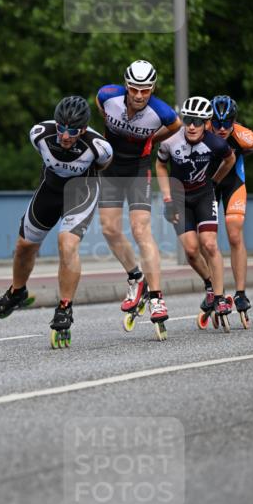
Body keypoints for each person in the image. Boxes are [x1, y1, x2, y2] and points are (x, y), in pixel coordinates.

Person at [0, 95, 112, 348]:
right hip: (50, 190)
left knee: (67, 243)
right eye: (61, 127)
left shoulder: (99, 147)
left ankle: (64, 307)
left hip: (81, 193)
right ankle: (17, 293)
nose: (64, 135)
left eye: (72, 131)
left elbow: (104, 166)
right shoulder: (39, 134)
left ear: (83, 129)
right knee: (24, 246)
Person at [96, 60, 181, 333]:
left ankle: (156, 297)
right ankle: (136, 277)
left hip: (138, 168)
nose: (140, 95)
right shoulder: (107, 97)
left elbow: (176, 125)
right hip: (110, 167)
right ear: (126, 86)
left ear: (153, 88)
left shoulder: (162, 112)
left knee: (140, 228)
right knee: (109, 228)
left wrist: (150, 141)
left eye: (146, 90)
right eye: (134, 89)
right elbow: (100, 106)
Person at [155, 96, 236, 329]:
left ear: (207, 123)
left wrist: (214, 180)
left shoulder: (216, 144)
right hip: (178, 197)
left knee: (209, 244)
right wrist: (167, 198)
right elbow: (160, 165)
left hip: (203, 195)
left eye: (197, 121)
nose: (191, 126)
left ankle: (220, 298)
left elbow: (229, 160)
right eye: (188, 120)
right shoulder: (170, 140)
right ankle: (210, 285)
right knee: (191, 250)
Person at [208, 94, 253, 325]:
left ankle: (240, 293)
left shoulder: (244, 137)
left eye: (227, 123)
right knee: (207, 240)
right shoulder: (202, 131)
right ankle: (213, 290)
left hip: (233, 183)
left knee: (234, 232)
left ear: (233, 121)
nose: (221, 129)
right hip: (208, 186)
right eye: (217, 123)